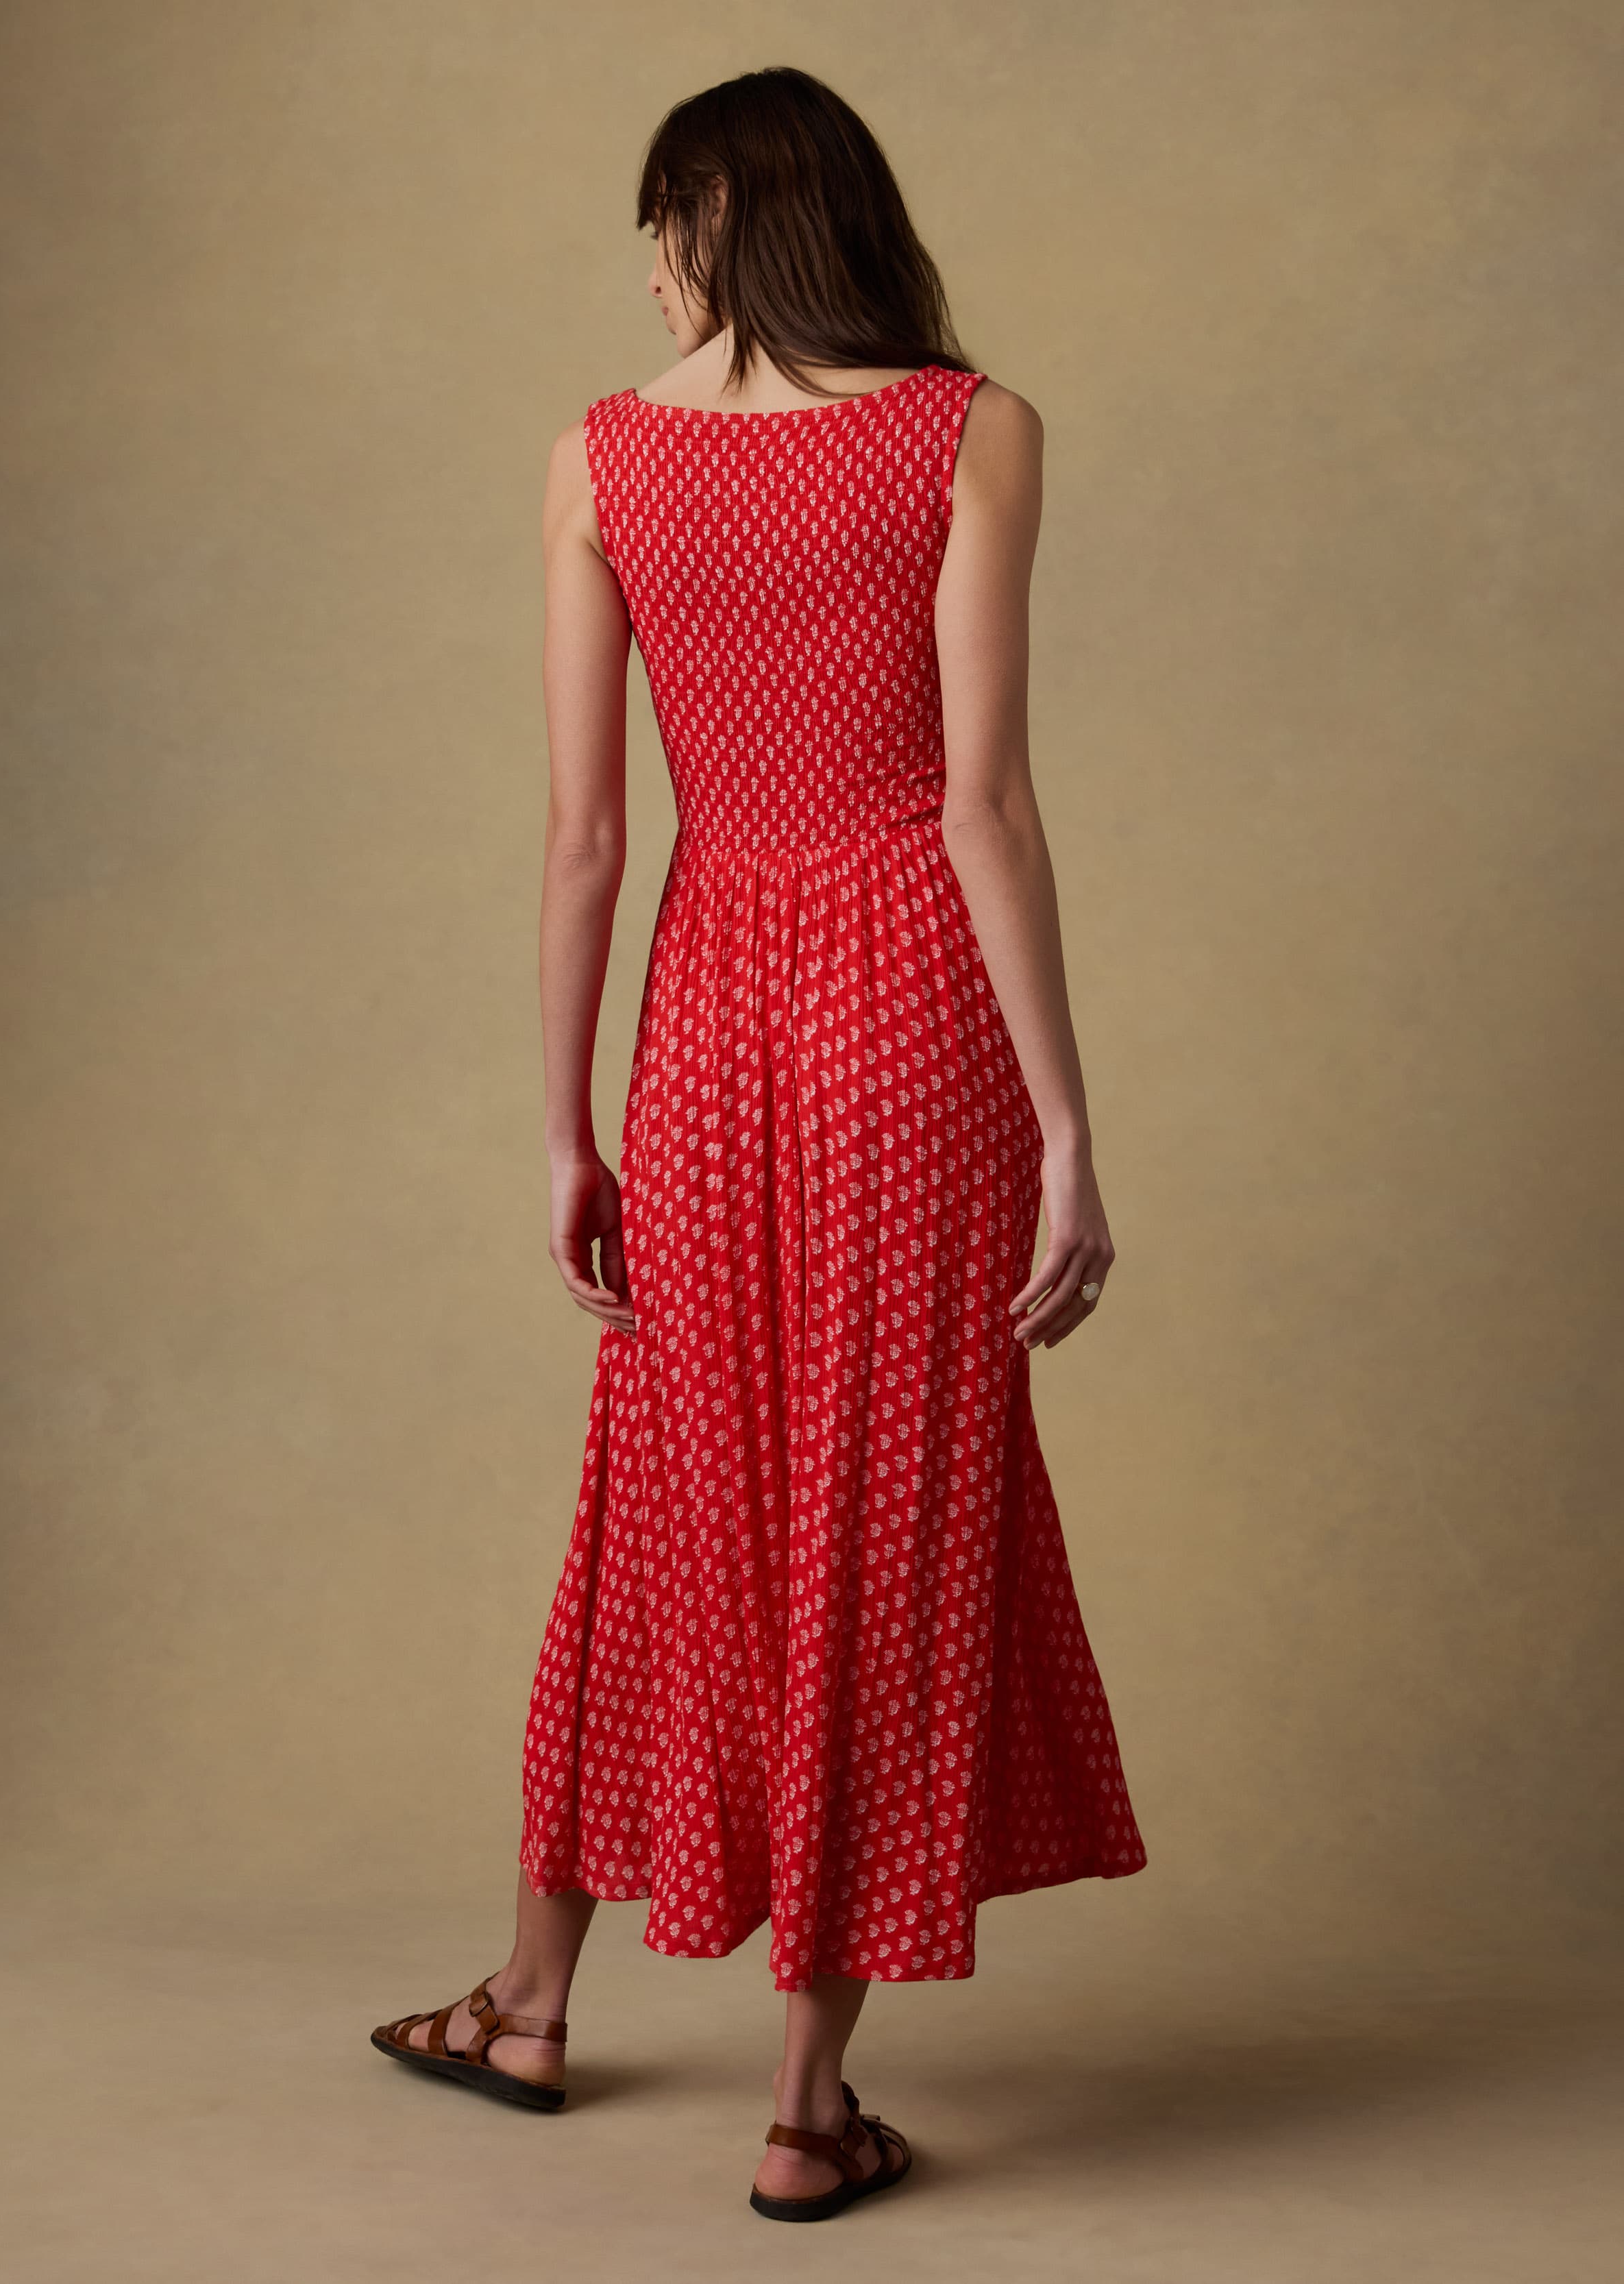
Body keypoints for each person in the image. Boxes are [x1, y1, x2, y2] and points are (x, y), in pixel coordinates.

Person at [370, 64, 1146, 2222]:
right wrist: (1071, 1126)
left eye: (662, 224)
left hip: (708, 1008)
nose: (646, 269)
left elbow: (588, 837)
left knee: (667, 1491)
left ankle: (534, 1999)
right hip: (912, 1012)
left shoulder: (603, 459)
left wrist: (558, 1127)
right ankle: (808, 2111)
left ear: (723, 220)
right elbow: (982, 803)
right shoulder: (972, 428)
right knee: (883, 1508)